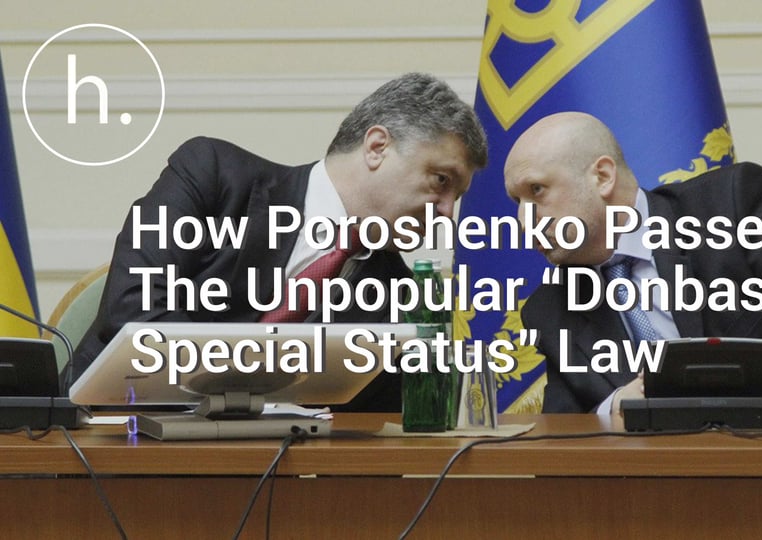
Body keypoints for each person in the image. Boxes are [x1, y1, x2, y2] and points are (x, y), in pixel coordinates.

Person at [71, 73, 487, 411]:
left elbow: (377, 422)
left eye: (457, 196)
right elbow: (133, 309)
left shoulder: (401, 294)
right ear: (377, 147)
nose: (447, 212)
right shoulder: (213, 175)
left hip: (263, 477)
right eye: (441, 181)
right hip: (101, 437)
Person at [504, 111, 762, 413]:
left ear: (602, 177)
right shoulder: (552, 308)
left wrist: (733, 381)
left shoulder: (733, 206)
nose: (524, 219)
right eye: (516, 202)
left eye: (537, 190)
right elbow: (561, 437)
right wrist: (614, 409)